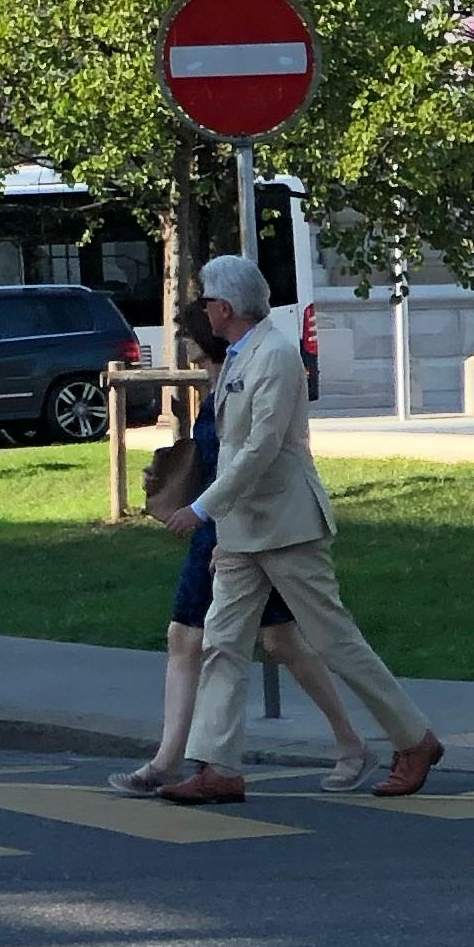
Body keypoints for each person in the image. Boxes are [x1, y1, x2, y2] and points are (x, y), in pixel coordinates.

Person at [151, 256, 444, 803]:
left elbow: (261, 448)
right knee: (222, 643)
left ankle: (415, 739)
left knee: (335, 640)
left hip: (287, 528)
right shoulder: (239, 356)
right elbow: (231, 448)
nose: (204, 311)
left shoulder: (278, 356)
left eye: (208, 301)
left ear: (226, 307)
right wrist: (216, 522)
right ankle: (219, 766)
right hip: (241, 532)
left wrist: (202, 510)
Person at [113, 303, 371, 797]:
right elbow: (214, 459)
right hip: (223, 525)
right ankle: (172, 760)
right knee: (189, 636)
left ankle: (352, 743)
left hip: (250, 526)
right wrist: (169, 478)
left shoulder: (247, 371)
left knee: (282, 643)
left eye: (188, 335)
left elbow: (254, 456)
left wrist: (204, 513)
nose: (186, 344)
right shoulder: (218, 384)